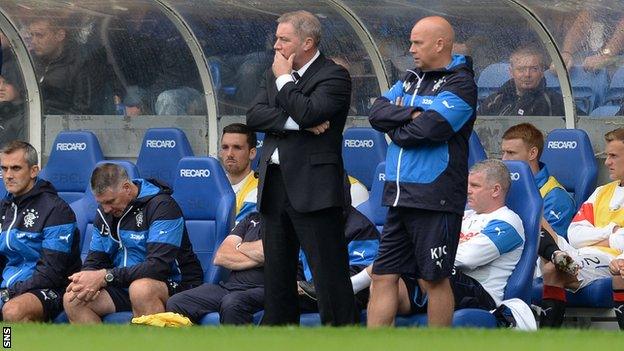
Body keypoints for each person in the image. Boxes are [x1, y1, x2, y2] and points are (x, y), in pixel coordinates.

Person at [367, 16, 477, 328]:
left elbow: (432, 128)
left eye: (418, 42)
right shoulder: (409, 78)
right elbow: (376, 112)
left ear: (440, 44)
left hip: (435, 197)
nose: (411, 49)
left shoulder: (461, 83)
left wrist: (398, 126)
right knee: (383, 274)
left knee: (434, 279)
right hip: (399, 195)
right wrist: (411, 114)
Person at [246, 10, 355, 325]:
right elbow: (254, 117)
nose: (276, 46)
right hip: (274, 183)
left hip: (314, 187)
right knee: (277, 276)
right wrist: (299, 124)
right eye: (276, 38)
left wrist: (284, 82)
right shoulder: (273, 72)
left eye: (284, 39)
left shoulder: (333, 75)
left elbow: (311, 111)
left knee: (328, 275)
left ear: (307, 42)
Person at [325, 160, 524, 321]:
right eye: (467, 184)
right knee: (383, 281)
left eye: (475, 186)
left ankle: (347, 286)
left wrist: (423, 250)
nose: (468, 190)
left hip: (481, 294)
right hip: (440, 277)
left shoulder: (508, 221)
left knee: (423, 261)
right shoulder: (464, 215)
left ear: (496, 190)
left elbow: (466, 258)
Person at [166, 203, 379, 324]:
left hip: (274, 286)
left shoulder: (303, 220)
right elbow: (222, 256)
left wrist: (244, 250)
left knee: (234, 302)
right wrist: (265, 251)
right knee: (177, 302)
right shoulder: (252, 217)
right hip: (231, 285)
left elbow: (286, 252)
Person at [63, 163, 203, 324]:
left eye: (110, 201)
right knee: (74, 297)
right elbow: (95, 260)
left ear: (127, 187)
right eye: (101, 203)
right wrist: (86, 279)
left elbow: (158, 267)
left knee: (141, 290)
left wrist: (106, 276)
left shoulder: (162, 206)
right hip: (123, 283)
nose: (106, 209)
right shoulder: (104, 213)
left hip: (174, 283)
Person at [539, 128, 624, 328]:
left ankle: (545, 342)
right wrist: (610, 232)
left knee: (552, 270)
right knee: (534, 215)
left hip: (609, 259)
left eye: (613, 156)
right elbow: (575, 234)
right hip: (579, 251)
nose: (607, 162)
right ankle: (559, 257)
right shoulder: (602, 191)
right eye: (607, 155)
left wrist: (602, 239)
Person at [0, 141, 81, 322]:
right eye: (4, 169)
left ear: (34, 171)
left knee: (13, 311)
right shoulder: (5, 207)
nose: (8, 175)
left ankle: (10, 346)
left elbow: (50, 273)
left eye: (15, 168)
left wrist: (9, 293)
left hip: (52, 289)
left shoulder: (56, 210)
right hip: (9, 287)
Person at [501, 123, 575, 237]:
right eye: (503, 152)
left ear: (532, 153)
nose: (504, 159)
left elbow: (551, 244)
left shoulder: (556, 197)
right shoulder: (500, 185)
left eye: (511, 153)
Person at [28, 17, 90, 115]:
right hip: (27, 120)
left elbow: (81, 109)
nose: (33, 41)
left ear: (60, 35)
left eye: (40, 35)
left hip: (61, 123)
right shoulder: (28, 60)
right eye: (32, 35)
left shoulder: (77, 64)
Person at [478, 47, 564, 117]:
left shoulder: (555, 102)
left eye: (534, 69)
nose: (527, 74)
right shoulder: (496, 100)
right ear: (511, 72)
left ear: (542, 72)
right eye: (521, 69)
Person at [219, 123, 258, 224]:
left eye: (237, 147)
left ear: (252, 153)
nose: (229, 154)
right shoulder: (213, 186)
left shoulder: (259, 189)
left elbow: (237, 232)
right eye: (225, 147)